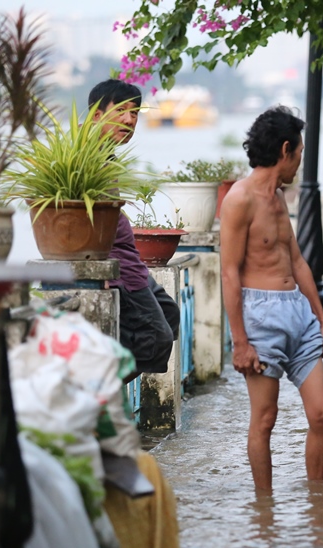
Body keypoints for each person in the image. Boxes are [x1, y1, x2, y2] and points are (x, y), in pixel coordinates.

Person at [219, 106, 323, 492]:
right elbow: (229, 272)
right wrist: (240, 342)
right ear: (286, 149)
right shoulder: (239, 199)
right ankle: (264, 510)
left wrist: (320, 317)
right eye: (299, 154)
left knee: (322, 414)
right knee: (265, 419)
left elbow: (297, 260)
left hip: (298, 315)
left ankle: (317, 501)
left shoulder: (280, 197)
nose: (299, 163)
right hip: (260, 317)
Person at [88, 79, 180, 382]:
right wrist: (98, 271)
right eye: (122, 111)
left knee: (170, 317)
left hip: (131, 264)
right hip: (118, 269)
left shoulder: (106, 156)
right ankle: (95, 395)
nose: (130, 120)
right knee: (157, 337)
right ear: (97, 115)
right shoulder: (83, 157)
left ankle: (101, 391)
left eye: (135, 113)